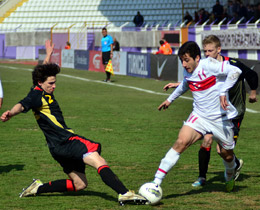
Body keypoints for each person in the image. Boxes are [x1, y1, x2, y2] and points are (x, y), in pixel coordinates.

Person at [0, 40, 146, 206]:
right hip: (67, 140)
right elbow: (21, 105)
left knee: (80, 184)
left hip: (56, 148)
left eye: (55, 82)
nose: (54, 86)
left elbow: (42, 72)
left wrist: (48, 54)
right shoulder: (35, 96)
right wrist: (11, 113)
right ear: (41, 83)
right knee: (97, 159)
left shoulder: (38, 88)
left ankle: (37, 188)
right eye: (51, 84)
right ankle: (124, 194)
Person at [151, 41, 242, 193]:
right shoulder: (188, 71)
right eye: (182, 60)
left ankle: (231, 171)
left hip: (220, 119)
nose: (184, 64)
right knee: (181, 141)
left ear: (197, 58)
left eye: (187, 60)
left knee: (226, 155)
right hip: (199, 116)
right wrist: (169, 100)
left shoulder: (209, 65)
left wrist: (222, 91)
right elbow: (185, 84)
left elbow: (236, 72)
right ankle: (155, 183)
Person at [191, 35, 258, 187]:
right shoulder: (206, 66)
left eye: (210, 50)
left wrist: (253, 92)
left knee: (221, 151)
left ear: (218, 50)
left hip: (234, 113)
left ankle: (234, 164)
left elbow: (252, 74)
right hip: (215, 113)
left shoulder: (232, 64)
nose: (207, 54)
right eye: (205, 51)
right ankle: (202, 177)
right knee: (206, 140)